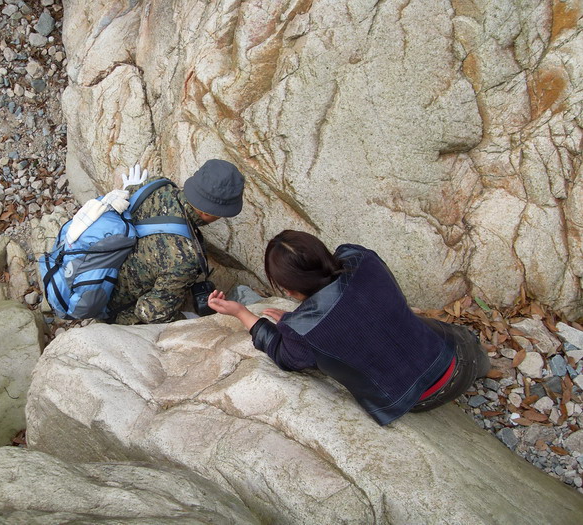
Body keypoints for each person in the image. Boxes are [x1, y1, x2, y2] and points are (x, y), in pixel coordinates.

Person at [207, 230, 490, 425]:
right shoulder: (359, 257)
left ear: (290, 291)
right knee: (428, 328)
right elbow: (355, 310)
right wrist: (299, 321)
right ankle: (483, 369)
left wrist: (242, 312)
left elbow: (283, 354)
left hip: (416, 399)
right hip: (456, 357)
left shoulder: (302, 330)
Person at [108, 159, 245, 325]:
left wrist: (132, 188)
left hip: (103, 273)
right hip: (114, 310)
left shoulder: (156, 185)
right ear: (209, 213)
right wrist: (188, 319)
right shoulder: (184, 258)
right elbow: (148, 312)